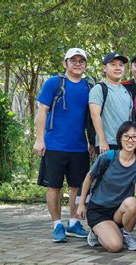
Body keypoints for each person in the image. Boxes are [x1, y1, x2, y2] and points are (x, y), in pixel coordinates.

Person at [34, 48, 91, 242]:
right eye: (73, 60)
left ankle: (74, 223)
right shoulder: (54, 83)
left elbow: (91, 118)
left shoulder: (88, 86)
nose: (77, 64)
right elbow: (42, 111)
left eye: (81, 61)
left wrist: (92, 143)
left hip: (79, 147)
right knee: (54, 186)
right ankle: (57, 225)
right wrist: (39, 139)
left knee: (77, 186)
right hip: (55, 145)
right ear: (65, 63)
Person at [76, 121, 136, 252]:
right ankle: (96, 232)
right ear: (120, 138)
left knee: (133, 202)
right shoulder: (108, 157)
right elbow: (89, 177)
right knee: (115, 247)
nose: (130, 140)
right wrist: (81, 204)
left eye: (134, 137)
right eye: (126, 136)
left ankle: (126, 234)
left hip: (118, 211)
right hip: (99, 210)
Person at [89, 52, 133, 154]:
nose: (118, 68)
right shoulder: (99, 88)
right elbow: (95, 115)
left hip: (125, 143)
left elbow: (130, 118)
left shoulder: (127, 91)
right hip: (107, 145)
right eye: (113, 64)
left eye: (121, 65)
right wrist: (102, 141)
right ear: (104, 68)